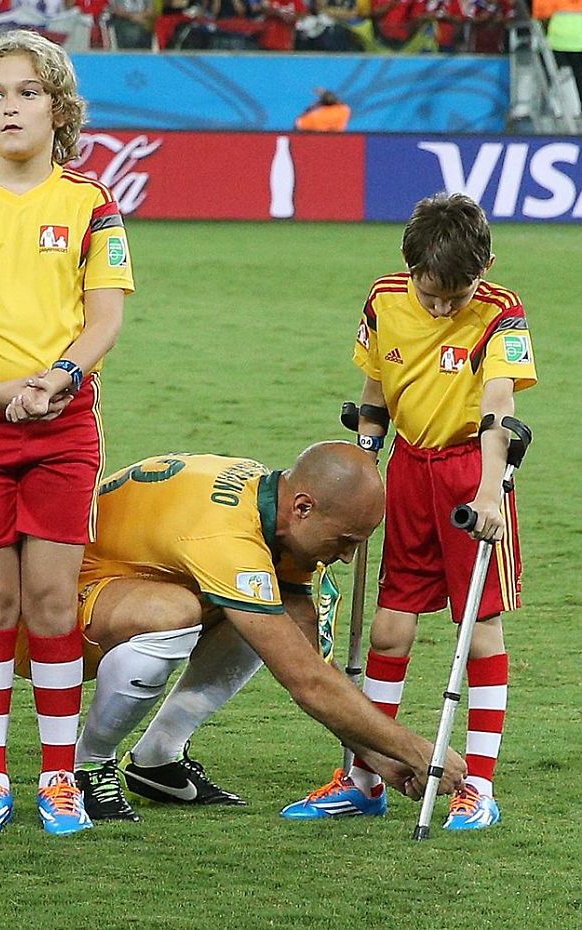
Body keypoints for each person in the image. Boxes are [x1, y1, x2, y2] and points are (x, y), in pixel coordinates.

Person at [30, 442, 466, 822]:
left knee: (262, 617)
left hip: (124, 587)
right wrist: (416, 751)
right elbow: (304, 680)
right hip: (53, 612)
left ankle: (157, 759)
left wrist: (374, 753)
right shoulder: (228, 535)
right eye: (345, 541)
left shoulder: (276, 509)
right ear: (303, 507)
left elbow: (306, 655)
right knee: (179, 611)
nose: (349, 558)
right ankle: (88, 765)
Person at [281, 193, 537, 828]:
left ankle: (477, 784)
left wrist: (487, 489)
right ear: (410, 266)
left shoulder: (501, 313)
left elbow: (499, 405)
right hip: (407, 473)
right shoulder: (384, 298)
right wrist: (365, 465)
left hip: (472, 472)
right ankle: (365, 777)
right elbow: (374, 399)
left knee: (478, 633)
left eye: (458, 293)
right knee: (389, 628)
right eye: (433, 294)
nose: (444, 306)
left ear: (487, 266)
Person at [0, 30, 133, 835]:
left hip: (63, 427)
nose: (10, 107)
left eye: (26, 92)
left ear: (58, 108)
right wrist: (1, 391)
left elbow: (104, 316)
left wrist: (57, 381)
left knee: (49, 601)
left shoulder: (89, 202)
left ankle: (61, 777)